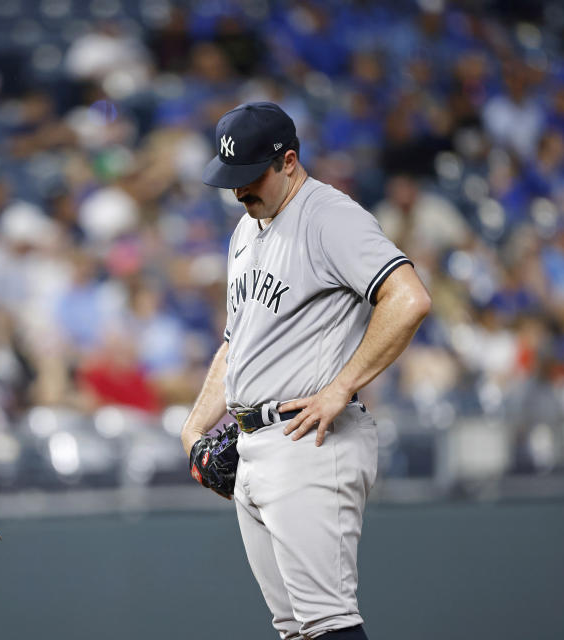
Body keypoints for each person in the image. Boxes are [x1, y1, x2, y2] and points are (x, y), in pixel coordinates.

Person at [181, 102, 431, 640]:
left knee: (328, 623)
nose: (239, 193)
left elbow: (408, 298)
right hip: (255, 444)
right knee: (296, 630)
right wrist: (195, 427)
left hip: (310, 439)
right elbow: (236, 341)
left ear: (289, 161)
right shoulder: (247, 232)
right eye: (232, 180)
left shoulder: (329, 217)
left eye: (250, 178)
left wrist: (341, 387)